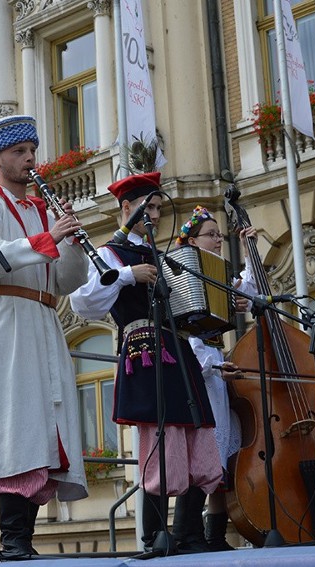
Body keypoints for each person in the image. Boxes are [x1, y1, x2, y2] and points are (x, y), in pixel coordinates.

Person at [0, 115, 89, 557]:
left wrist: (72, 244)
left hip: (44, 320)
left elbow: (65, 282)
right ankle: (12, 541)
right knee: (15, 425)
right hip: (6, 320)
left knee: (44, 426)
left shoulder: (43, 208)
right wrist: (49, 237)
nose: (30, 159)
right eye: (19, 152)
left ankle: (22, 540)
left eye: (32, 150)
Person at [69, 172, 222, 552]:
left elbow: (185, 306)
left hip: (178, 347)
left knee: (194, 431)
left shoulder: (163, 254)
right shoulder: (110, 253)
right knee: (160, 437)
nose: (155, 214)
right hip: (144, 348)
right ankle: (155, 535)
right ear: (127, 208)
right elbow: (82, 301)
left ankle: (189, 533)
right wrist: (125, 276)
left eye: (156, 207)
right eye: (147, 207)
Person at [175, 205, 258, 551]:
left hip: (217, 369)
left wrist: (251, 250)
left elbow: (251, 292)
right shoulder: (185, 272)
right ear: (192, 240)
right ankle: (187, 534)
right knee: (203, 452)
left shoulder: (219, 272)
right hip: (199, 367)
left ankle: (214, 535)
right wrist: (210, 365)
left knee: (223, 454)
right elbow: (186, 333)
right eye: (211, 235)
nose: (218, 240)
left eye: (220, 235)